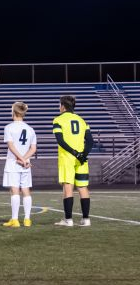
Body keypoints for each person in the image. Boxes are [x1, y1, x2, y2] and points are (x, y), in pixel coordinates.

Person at [52, 94, 93, 227]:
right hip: (81, 160)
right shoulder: (82, 121)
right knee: (82, 187)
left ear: (63, 106)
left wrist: (74, 153)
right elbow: (90, 141)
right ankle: (86, 219)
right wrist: (82, 155)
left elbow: (60, 141)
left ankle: (68, 220)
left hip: (67, 158)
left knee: (68, 187)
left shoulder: (58, 120)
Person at [2, 102, 36, 228]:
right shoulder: (30, 129)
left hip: (13, 163)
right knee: (26, 190)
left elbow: (11, 146)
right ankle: (27, 219)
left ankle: (15, 220)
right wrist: (25, 159)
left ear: (14, 112)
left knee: (15, 190)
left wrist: (20, 159)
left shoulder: (9, 127)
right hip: (25, 164)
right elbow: (33, 148)